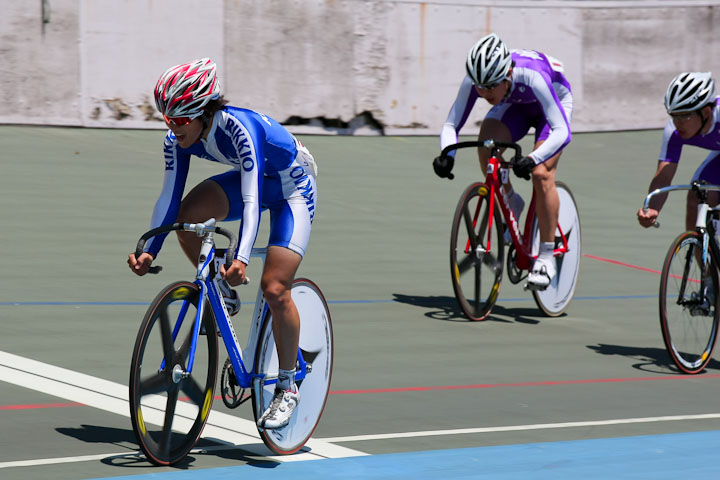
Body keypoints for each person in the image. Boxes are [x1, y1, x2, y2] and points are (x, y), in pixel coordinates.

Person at [127, 58, 318, 430]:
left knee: (275, 288)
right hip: (258, 182)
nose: (172, 128)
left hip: (292, 187)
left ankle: (288, 385)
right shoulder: (177, 140)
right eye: (167, 119)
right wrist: (150, 248)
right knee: (188, 218)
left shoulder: (240, 129)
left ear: (203, 112)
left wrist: (242, 258)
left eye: (179, 121)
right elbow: (169, 197)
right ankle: (222, 294)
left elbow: (251, 200)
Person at [433, 33, 573, 289]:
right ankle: (512, 200)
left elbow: (562, 132)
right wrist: (447, 154)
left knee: (541, 174)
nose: (484, 92)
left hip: (552, 104)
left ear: (507, 75)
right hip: (517, 104)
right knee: (487, 148)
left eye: (490, 86)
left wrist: (532, 159)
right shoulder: (477, 80)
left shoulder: (533, 76)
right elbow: (452, 123)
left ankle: (546, 255)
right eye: (480, 87)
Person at [637, 72, 719, 230]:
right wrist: (653, 208)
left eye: (684, 116)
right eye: (674, 116)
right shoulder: (673, 131)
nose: (677, 123)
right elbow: (663, 177)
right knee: (699, 195)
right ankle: (700, 251)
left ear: (706, 112)